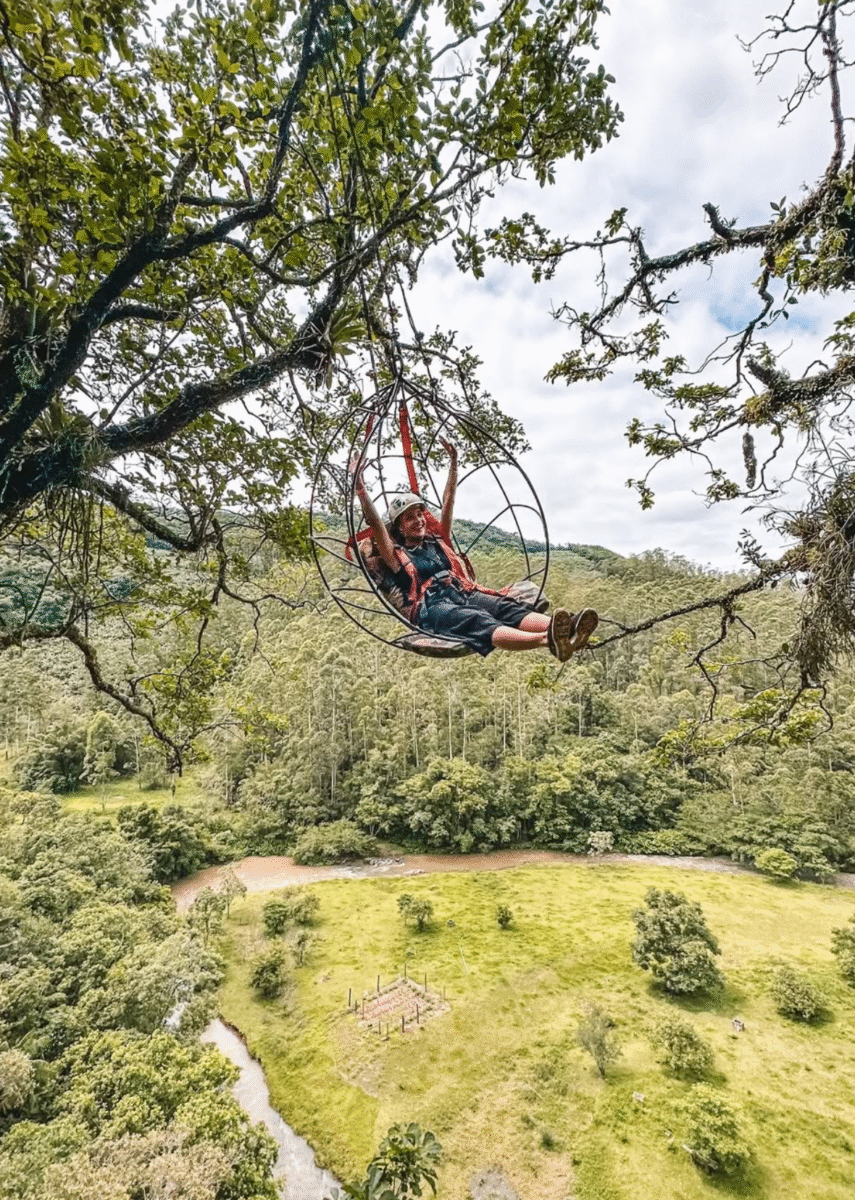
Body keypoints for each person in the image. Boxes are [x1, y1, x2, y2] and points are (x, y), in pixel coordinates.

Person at [350, 440, 598, 661]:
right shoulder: (396, 557)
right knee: (479, 621)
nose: (418, 521)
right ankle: (547, 639)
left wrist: (454, 464)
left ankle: (571, 628)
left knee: (503, 607)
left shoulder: (437, 542)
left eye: (419, 515)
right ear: (399, 529)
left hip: (461, 591)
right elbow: (375, 524)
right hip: (431, 607)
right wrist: (360, 486)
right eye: (409, 519)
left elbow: (448, 502)